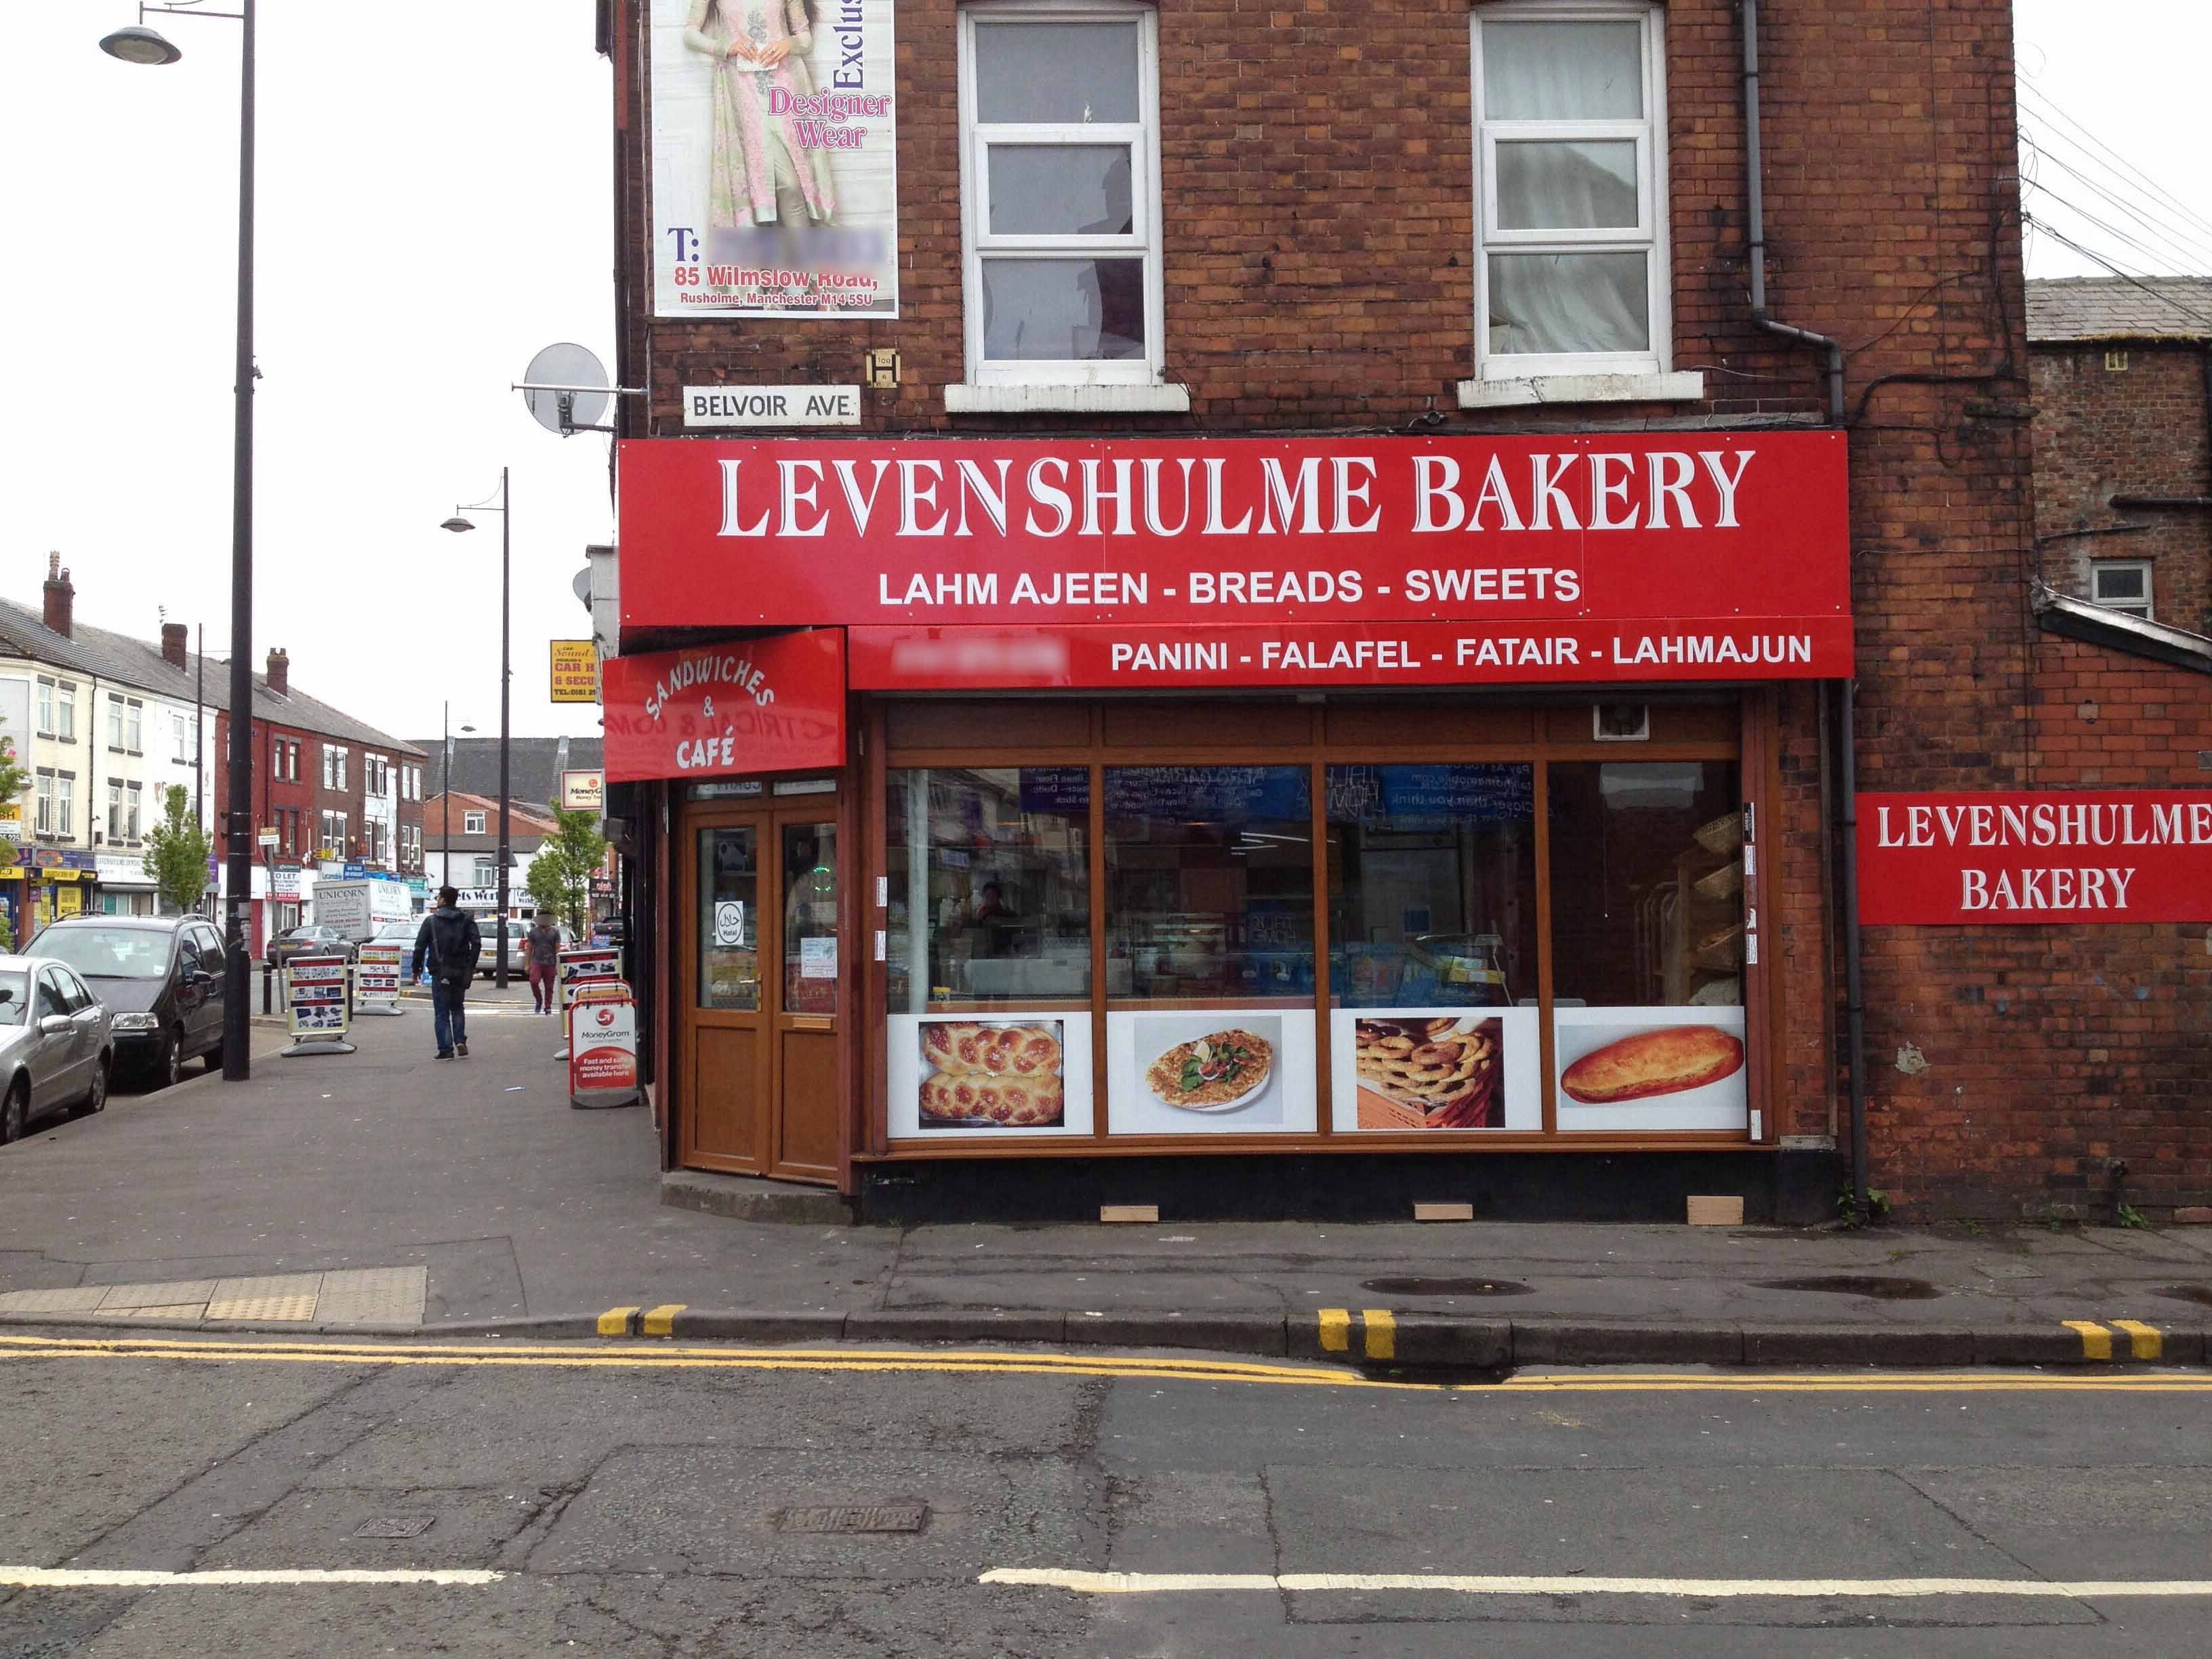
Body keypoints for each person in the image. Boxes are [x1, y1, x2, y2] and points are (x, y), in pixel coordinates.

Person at [682, 0, 836, 237]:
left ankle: (808, 268)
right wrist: (726, 47)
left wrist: (787, 43)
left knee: (791, 185)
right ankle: (775, 268)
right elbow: (690, 34)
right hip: (743, 93)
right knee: (762, 187)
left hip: (784, 88)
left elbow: (805, 39)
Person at [411, 888, 481, 1061]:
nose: (437, 899)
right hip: (461, 970)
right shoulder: (466, 919)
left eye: (438, 897)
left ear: (443, 900)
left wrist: (416, 969)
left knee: (441, 1011)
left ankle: (446, 1048)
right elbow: (477, 943)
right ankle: (459, 1040)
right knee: (457, 1007)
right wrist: (471, 964)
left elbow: (419, 947)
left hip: (440, 970)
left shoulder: (431, 921)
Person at [525, 915, 562, 1016]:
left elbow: (557, 949)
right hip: (536, 961)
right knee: (534, 981)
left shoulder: (555, 932)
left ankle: (548, 1007)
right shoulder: (533, 932)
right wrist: (527, 965)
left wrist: (557, 965)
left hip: (550, 962)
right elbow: (529, 949)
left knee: (549, 987)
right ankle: (539, 1000)